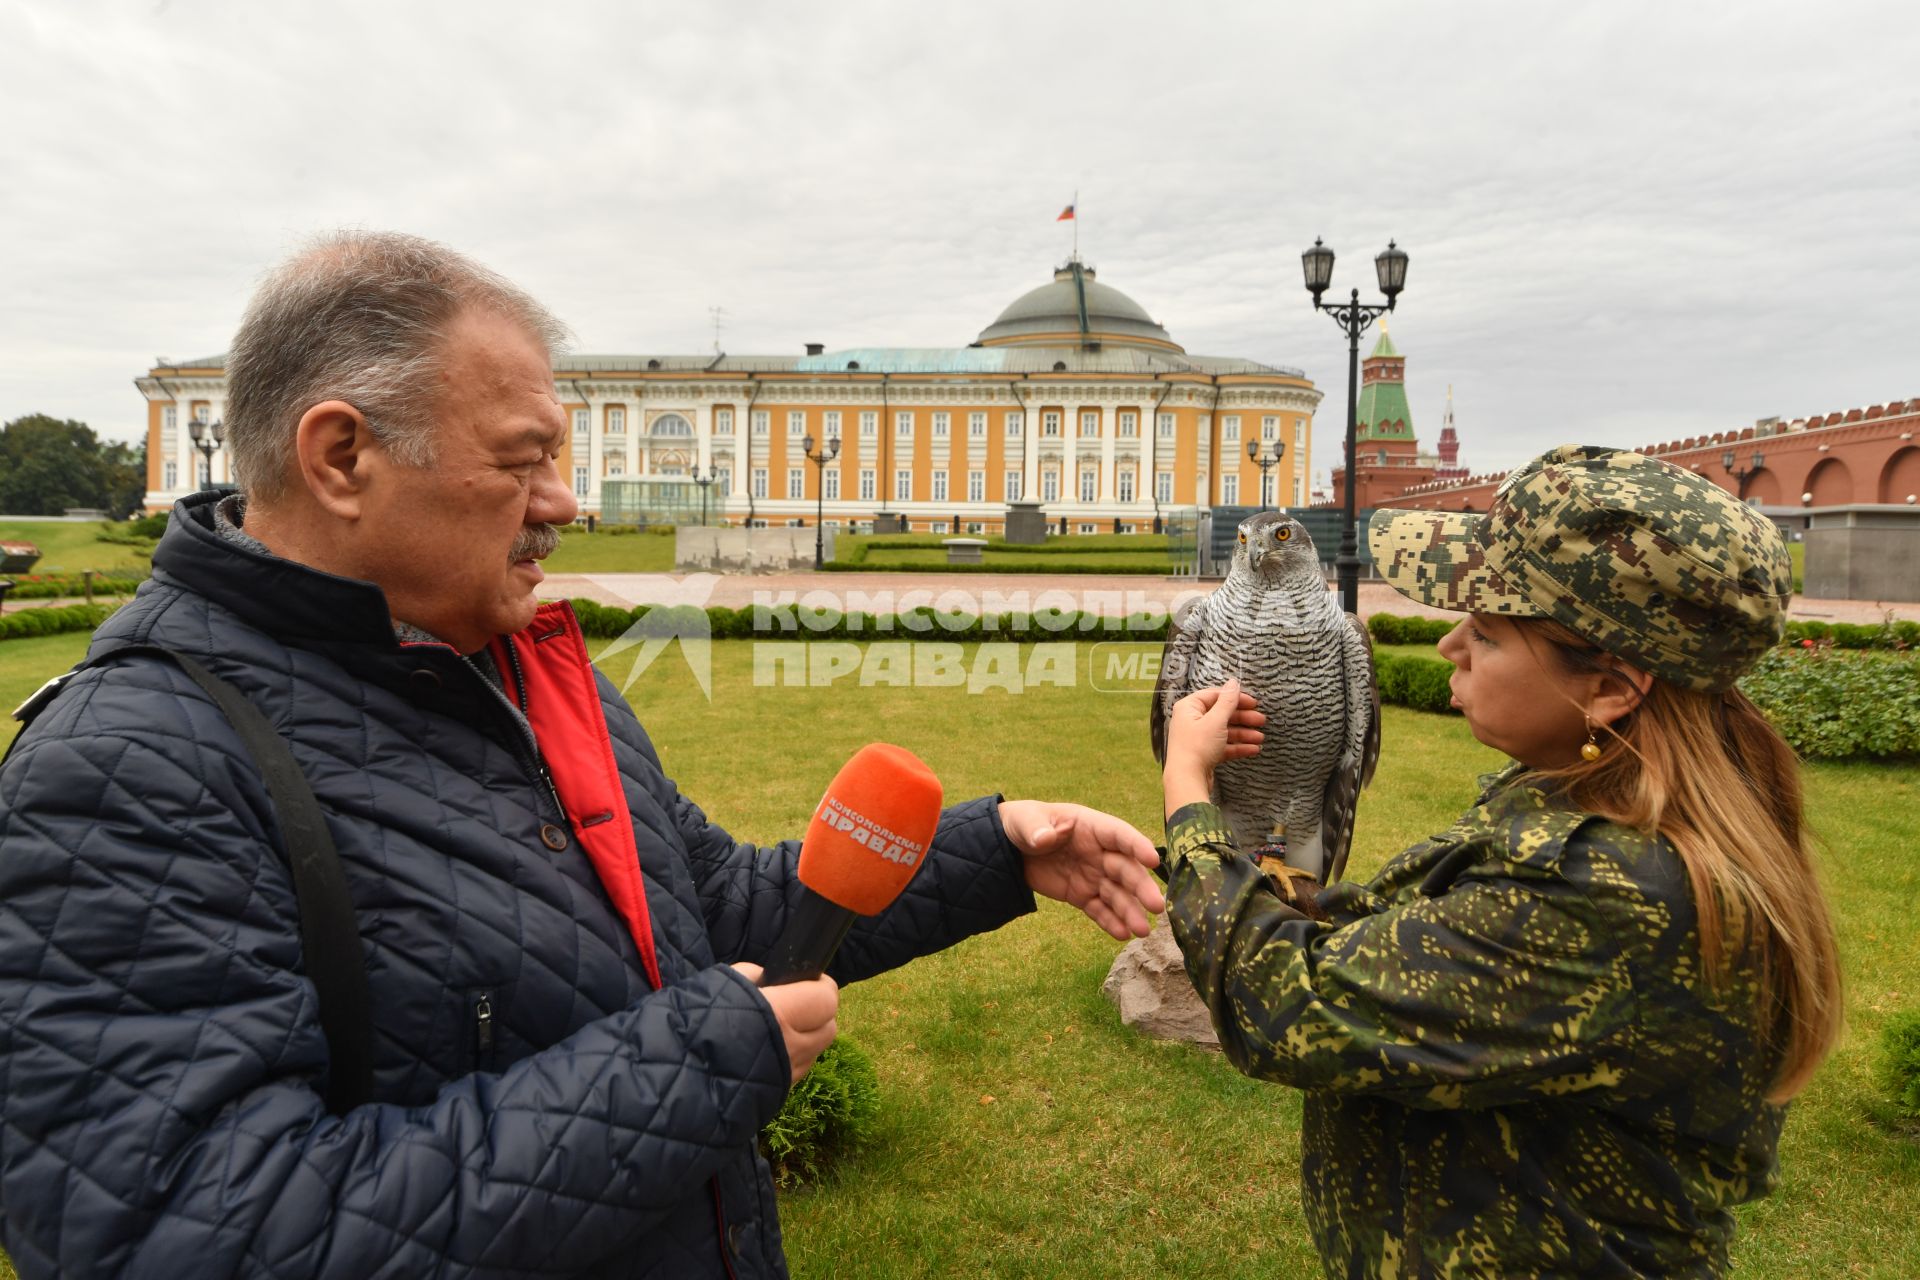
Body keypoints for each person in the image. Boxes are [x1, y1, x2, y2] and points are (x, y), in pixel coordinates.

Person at [0, 231, 1165, 1279]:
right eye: (524, 457)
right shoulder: (121, 771)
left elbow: (702, 908)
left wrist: (993, 851)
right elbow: (184, 1233)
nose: (566, 498)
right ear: (342, 457)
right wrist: (705, 1061)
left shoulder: (528, 674)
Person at [1157, 444, 1843, 1279]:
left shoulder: (1607, 893)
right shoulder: (1597, 802)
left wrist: (1190, 796)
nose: (1450, 645)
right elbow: (1434, 944)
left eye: (1485, 630)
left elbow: (1281, 1005)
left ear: (1611, 689)